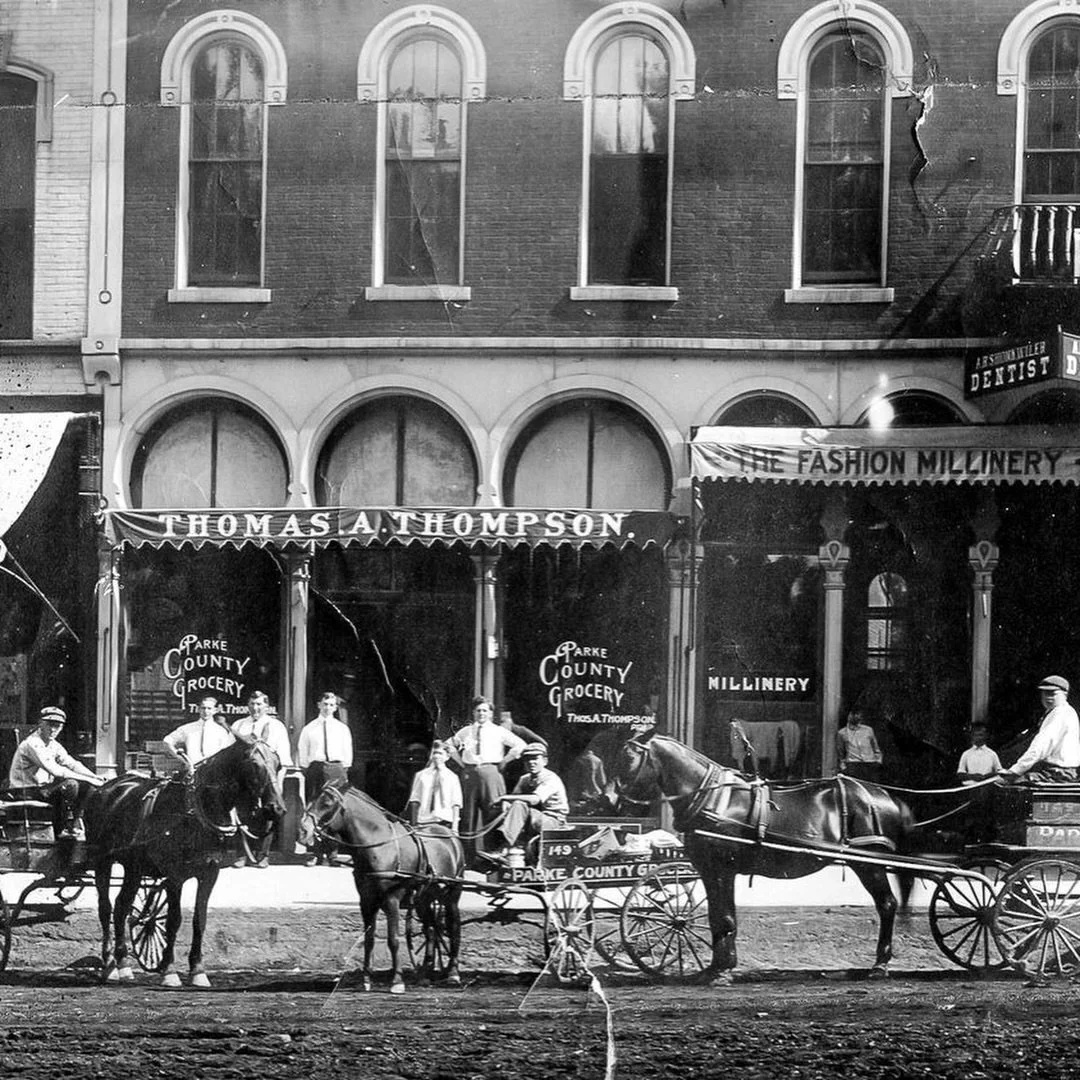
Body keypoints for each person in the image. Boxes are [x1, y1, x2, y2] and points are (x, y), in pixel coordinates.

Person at [7, 706, 105, 838]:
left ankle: (75, 824)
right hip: (25, 790)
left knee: (88, 787)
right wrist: (88, 779)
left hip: (42, 789)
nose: (53, 730)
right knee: (70, 785)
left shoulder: (53, 744)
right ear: (40, 723)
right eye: (49, 725)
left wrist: (95, 777)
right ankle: (61, 829)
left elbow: (72, 764)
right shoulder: (32, 743)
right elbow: (56, 770)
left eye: (57, 726)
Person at [447, 695, 527, 858]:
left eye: (485, 710)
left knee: (493, 812)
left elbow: (520, 745)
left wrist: (505, 761)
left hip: (492, 773)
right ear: (473, 713)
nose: (481, 714)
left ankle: (492, 855)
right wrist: (461, 763)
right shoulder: (466, 731)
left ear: (490, 713)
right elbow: (448, 745)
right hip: (469, 774)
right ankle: (465, 858)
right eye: (478, 711)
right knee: (467, 815)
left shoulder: (498, 731)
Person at [230, 690, 292, 867]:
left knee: (268, 815)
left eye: (259, 704)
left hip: (267, 778)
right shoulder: (238, 725)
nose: (255, 708)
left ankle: (263, 855)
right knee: (242, 814)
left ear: (266, 706)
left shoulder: (276, 726)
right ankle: (241, 855)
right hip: (243, 779)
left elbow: (284, 757)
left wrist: (278, 783)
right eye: (252, 704)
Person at [485, 743, 569, 867]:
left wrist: (506, 797)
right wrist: (506, 804)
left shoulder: (551, 778)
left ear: (545, 761)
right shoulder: (524, 779)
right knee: (502, 809)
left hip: (553, 820)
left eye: (535, 758)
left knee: (519, 804)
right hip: (533, 817)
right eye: (528, 759)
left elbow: (535, 799)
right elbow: (514, 799)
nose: (531, 762)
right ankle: (495, 850)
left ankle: (504, 849)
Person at [297, 691, 353, 865]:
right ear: (319, 705)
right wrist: (310, 769)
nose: (328, 708)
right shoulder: (309, 728)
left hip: (336, 769)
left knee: (335, 810)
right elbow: (303, 752)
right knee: (314, 809)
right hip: (316, 769)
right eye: (325, 704)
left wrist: (340, 770)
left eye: (331, 705)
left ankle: (333, 854)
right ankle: (314, 853)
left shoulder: (342, 729)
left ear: (336, 707)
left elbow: (347, 753)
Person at [997, 675, 1080, 783]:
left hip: (1058, 773)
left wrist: (1015, 771)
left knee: (1006, 785)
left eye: (1053, 694)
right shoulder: (1058, 712)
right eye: (1045, 693)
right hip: (1057, 771)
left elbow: (1040, 746)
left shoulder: (1060, 713)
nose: (1048, 697)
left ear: (1065, 695)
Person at [162, 695, 235, 776]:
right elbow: (167, 741)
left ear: (215, 710)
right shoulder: (187, 728)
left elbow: (226, 753)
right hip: (192, 772)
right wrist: (183, 760)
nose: (206, 711)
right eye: (203, 708)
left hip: (214, 774)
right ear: (198, 709)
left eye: (209, 708)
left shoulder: (222, 731)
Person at [406, 740, 463, 831]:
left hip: (444, 823)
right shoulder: (421, 775)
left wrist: (455, 828)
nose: (437, 756)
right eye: (434, 753)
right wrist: (414, 824)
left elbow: (456, 803)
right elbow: (414, 800)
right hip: (424, 822)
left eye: (440, 753)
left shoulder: (452, 777)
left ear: (447, 757)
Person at [496, 706, 545, 790]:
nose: (500, 725)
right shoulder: (498, 732)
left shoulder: (521, 731)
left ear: (510, 721)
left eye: (503, 722)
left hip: (520, 766)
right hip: (506, 768)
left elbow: (542, 743)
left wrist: (527, 753)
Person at [836, 708, 883, 782]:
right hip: (853, 765)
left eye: (857, 714)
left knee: (872, 788)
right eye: (852, 714)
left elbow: (875, 747)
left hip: (869, 764)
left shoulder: (868, 730)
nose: (855, 716)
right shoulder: (842, 733)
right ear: (848, 716)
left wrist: (878, 761)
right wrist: (842, 764)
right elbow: (840, 751)